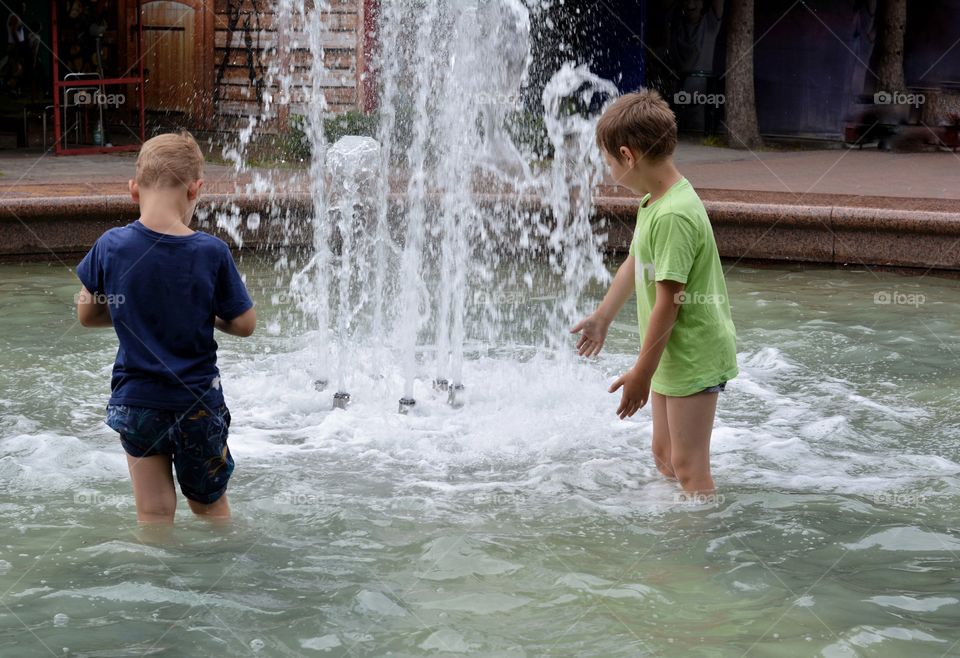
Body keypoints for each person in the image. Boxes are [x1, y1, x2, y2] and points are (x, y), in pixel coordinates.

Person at [75, 132, 256, 524]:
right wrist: (206, 314)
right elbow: (245, 324)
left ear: (133, 190)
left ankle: (153, 576)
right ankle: (225, 572)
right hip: (196, 404)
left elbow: (87, 315)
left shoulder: (111, 245)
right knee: (209, 507)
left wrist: (131, 312)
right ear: (195, 189)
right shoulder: (211, 252)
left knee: (153, 512)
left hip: (138, 402)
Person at [570, 90, 737, 497]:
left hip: (692, 351)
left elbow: (670, 301)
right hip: (669, 351)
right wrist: (602, 317)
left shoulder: (675, 215)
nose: (608, 171)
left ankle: (701, 549)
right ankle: (676, 533)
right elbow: (635, 261)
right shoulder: (655, 202)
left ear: (628, 156)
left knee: (688, 464)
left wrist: (641, 374)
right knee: (664, 455)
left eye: (609, 162)